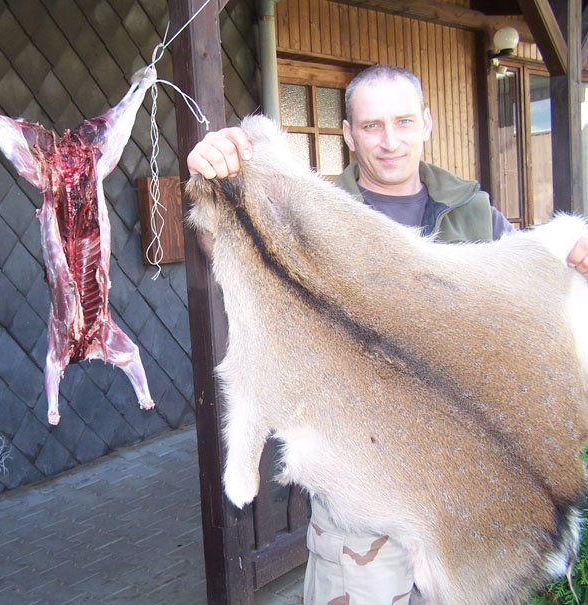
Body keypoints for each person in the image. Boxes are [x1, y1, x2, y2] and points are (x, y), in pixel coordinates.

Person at [186, 63, 588, 604]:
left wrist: (574, 261)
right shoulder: (303, 210)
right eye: (372, 125)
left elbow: (528, 304)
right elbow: (230, 253)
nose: (390, 141)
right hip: (363, 501)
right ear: (348, 134)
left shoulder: (474, 214)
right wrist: (213, 179)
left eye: (403, 121)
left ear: (426, 123)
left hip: (465, 489)